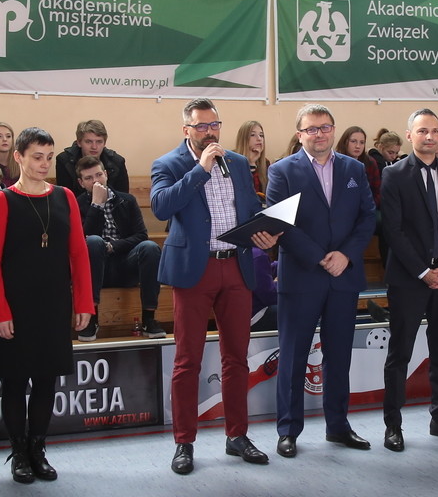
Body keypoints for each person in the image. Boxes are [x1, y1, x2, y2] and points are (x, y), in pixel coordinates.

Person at [150, 99, 280, 475]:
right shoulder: (168, 164)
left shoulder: (237, 163)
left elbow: (248, 211)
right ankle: (184, 442)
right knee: (187, 360)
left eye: (214, 125)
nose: (210, 132)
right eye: (202, 126)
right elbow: (161, 207)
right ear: (186, 130)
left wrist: (265, 231)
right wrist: (200, 170)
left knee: (236, 357)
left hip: (236, 266)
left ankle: (237, 435)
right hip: (195, 269)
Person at [266, 103, 377, 456]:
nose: (319, 134)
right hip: (302, 276)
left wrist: (346, 254)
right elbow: (279, 224)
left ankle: (338, 427)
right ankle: (288, 430)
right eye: (311, 129)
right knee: (294, 356)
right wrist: (319, 256)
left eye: (325, 127)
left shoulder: (354, 168)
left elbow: (368, 217)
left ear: (333, 130)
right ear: (300, 134)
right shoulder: (282, 171)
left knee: (339, 356)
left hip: (344, 275)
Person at [0, 126, 94, 483]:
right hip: (15, 307)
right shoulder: (2, 201)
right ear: (18, 157)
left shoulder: (65, 196)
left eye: (48, 157)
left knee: (47, 381)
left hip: (54, 303)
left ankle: (37, 449)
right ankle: (18, 452)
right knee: (15, 383)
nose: (44, 164)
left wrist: (84, 302)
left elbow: (78, 253)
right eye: (36, 157)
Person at [379, 109, 438, 450]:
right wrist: (423, 272)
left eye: (435, 131)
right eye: (422, 131)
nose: (429, 136)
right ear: (409, 135)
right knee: (400, 353)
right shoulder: (394, 174)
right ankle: (393, 425)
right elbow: (393, 230)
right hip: (408, 279)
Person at [76, 154, 164, 340]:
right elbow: (81, 239)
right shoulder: (78, 204)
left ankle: (149, 319)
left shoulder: (126, 200)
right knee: (93, 242)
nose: (96, 181)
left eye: (99, 175)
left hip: (125, 264)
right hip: (96, 268)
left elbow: (141, 235)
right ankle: (92, 319)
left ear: (106, 174)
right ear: (81, 183)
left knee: (150, 247)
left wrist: (112, 246)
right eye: (89, 178)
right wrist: (96, 205)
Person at [54, 119, 129, 192]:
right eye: (88, 142)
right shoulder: (65, 161)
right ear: (79, 143)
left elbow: (123, 197)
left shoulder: (117, 162)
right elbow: (65, 196)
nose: (94, 147)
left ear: (104, 143)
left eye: (99, 142)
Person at [234, 120, 271, 197]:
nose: (259, 139)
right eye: (253, 135)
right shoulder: (233, 161)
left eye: (261, 135)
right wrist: (251, 163)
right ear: (243, 139)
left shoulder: (265, 163)